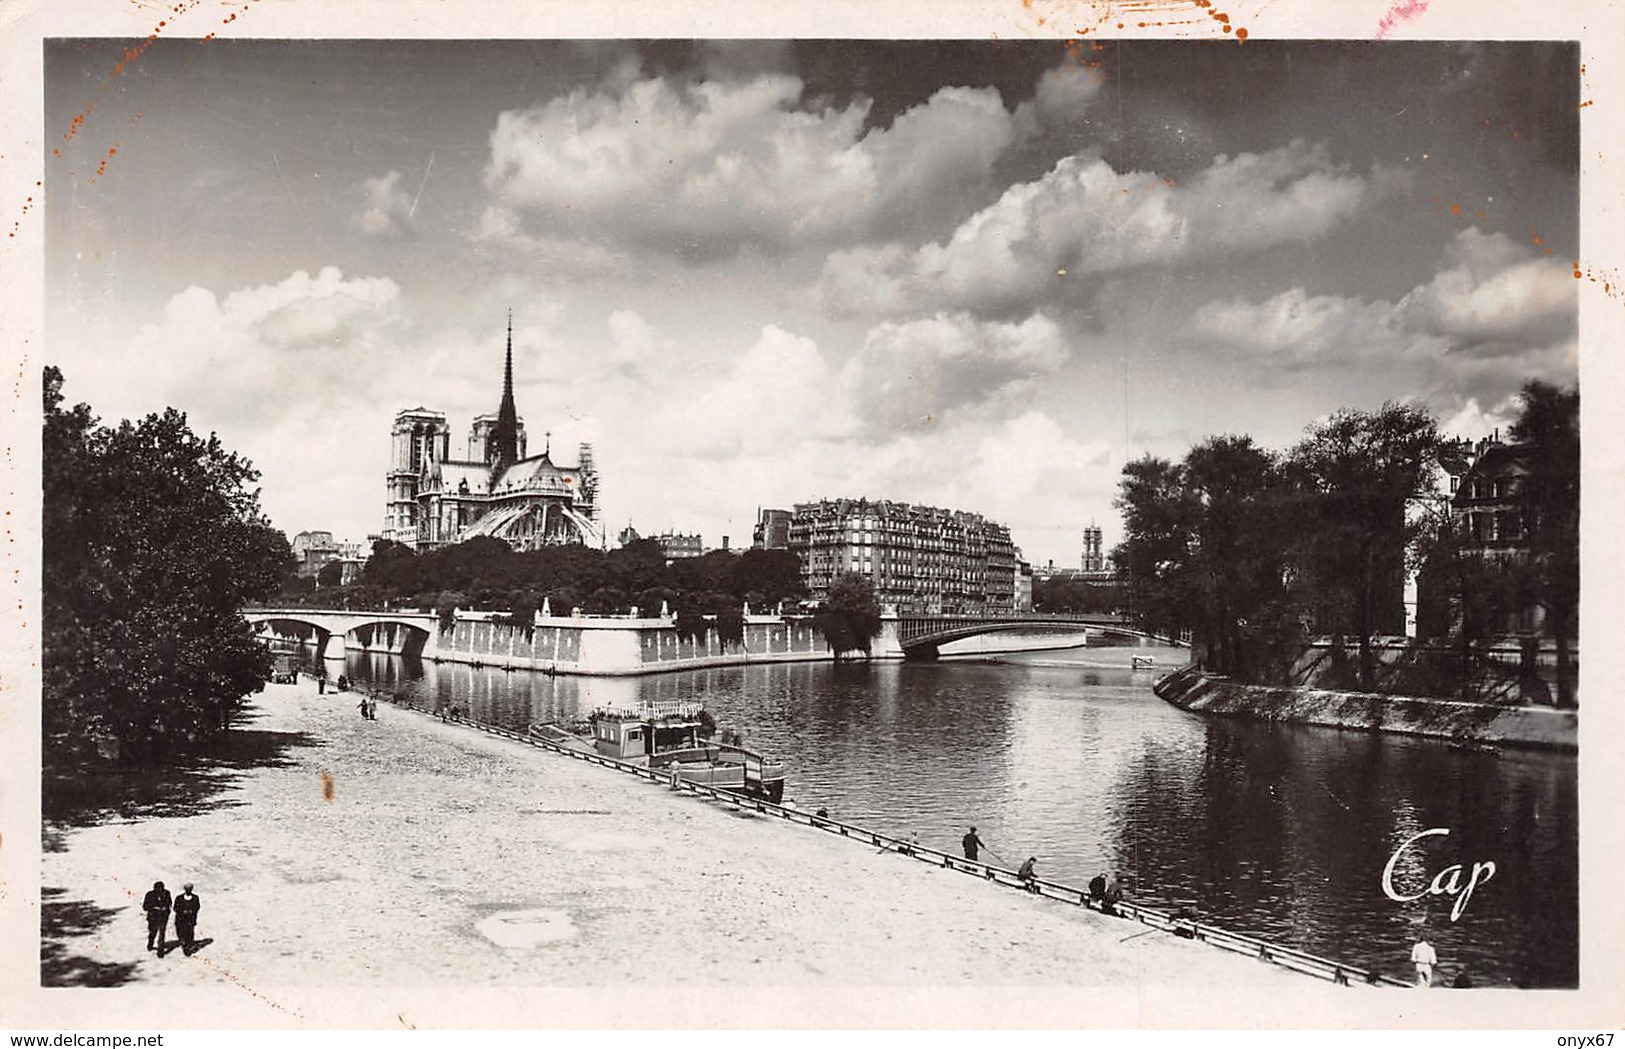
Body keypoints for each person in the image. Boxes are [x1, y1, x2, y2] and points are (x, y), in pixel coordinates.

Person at [142, 880, 172, 953]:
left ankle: (160, 950)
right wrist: (154, 908)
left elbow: (170, 903)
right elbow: (145, 906)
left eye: (161, 888)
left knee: (162, 933)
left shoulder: (166, 893)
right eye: (158, 888)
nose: (160, 890)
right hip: (153, 917)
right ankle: (150, 944)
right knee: (152, 932)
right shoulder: (150, 894)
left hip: (163, 917)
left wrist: (166, 908)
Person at [173, 882, 201, 955]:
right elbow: (175, 908)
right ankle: (184, 944)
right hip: (180, 919)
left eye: (190, 889)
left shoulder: (195, 898)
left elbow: (197, 907)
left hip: (190, 919)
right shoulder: (179, 898)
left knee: (189, 933)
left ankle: (188, 948)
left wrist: (191, 911)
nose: (188, 890)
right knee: (181, 933)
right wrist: (182, 911)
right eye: (187, 889)